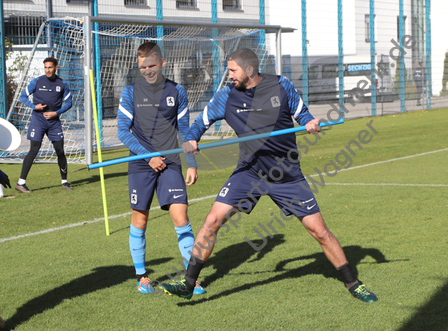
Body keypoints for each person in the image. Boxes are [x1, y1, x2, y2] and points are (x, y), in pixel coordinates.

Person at [160, 48, 377, 303]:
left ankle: (353, 283)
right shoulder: (225, 96)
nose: (228, 75)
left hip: (286, 174)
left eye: (232, 70)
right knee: (212, 220)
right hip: (249, 172)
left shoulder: (281, 85)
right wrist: (192, 139)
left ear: (249, 70)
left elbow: (302, 113)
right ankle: (188, 283)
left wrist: (309, 122)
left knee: (319, 232)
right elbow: (199, 124)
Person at [117, 42, 205, 295]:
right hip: (140, 165)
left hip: (171, 164)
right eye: (142, 66)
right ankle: (142, 276)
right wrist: (148, 157)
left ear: (162, 63)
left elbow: (185, 130)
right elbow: (123, 131)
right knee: (140, 220)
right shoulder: (130, 93)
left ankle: (191, 279)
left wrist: (192, 163)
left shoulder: (177, 91)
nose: (147, 70)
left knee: (181, 218)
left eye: (151, 65)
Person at [16, 57, 73, 193]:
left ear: (56, 68)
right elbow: (22, 97)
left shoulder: (62, 84)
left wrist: (56, 113)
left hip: (54, 122)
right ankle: (21, 183)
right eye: (46, 67)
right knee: (34, 150)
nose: (47, 70)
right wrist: (34, 106)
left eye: (50, 67)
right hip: (38, 121)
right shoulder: (36, 81)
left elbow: (69, 103)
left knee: (60, 150)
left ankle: (64, 182)